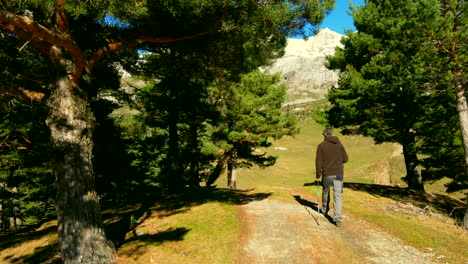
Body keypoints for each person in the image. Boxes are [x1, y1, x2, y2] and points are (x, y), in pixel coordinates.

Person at [315, 128, 348, 227]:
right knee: (338, 195)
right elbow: (346, 159)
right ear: (332, 134)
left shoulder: (321, 146)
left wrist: (318, 175)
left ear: (324, 135)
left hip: (327, 174)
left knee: (325, 191)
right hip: (338, 173)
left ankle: (325, 210)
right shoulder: (339, 145)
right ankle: (337, 218)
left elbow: (318, 162)